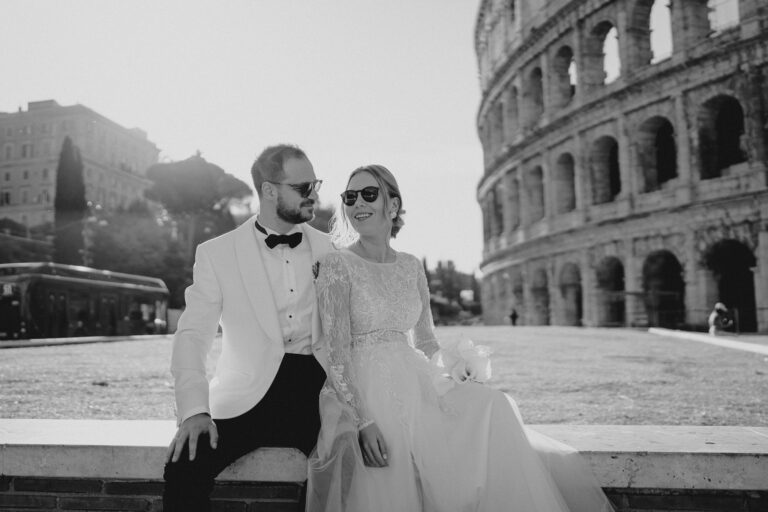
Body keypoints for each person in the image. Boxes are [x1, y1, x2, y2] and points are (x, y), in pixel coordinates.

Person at [306, 164, 614, 512]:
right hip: (367, 392)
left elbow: (425, 341)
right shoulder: (336, 266)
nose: (357, 203)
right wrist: (364, 421)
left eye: (369, 194)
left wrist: (458, 372)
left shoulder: (411, 266)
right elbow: (337, 352)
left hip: (415, 382)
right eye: (350, 197)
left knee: (492, 405)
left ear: (392, 205)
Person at [163, 144, 334, 512]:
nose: (315, 194)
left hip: (318, 393)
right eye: (304, 187)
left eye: (315, 184)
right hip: (247, 396)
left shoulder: (332, 250)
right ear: (270, 190)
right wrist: (194, 411)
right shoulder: (217, 253)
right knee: (184, 466)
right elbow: (193, 335)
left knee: (345, 473)